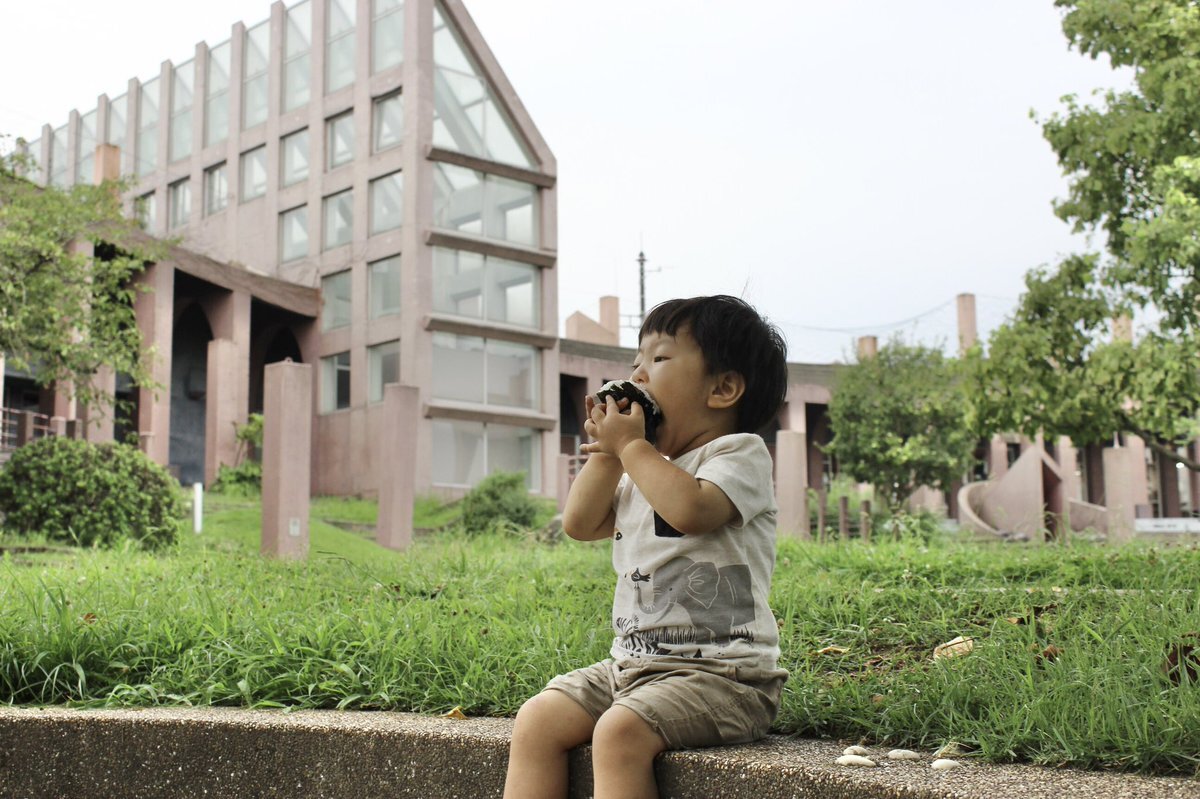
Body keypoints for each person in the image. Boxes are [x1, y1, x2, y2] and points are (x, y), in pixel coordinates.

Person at [503, 295, 790, 799]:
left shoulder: (737, 454)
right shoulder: (642, 466)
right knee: (538, 717)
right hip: (631, 666)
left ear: (722, 388)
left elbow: (691, 511)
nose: (638, 375)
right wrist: (609, 457)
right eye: (635, 362)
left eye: (658, 359)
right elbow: (580, 523)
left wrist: (632, 448)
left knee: (618, 733)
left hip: (724, 678)